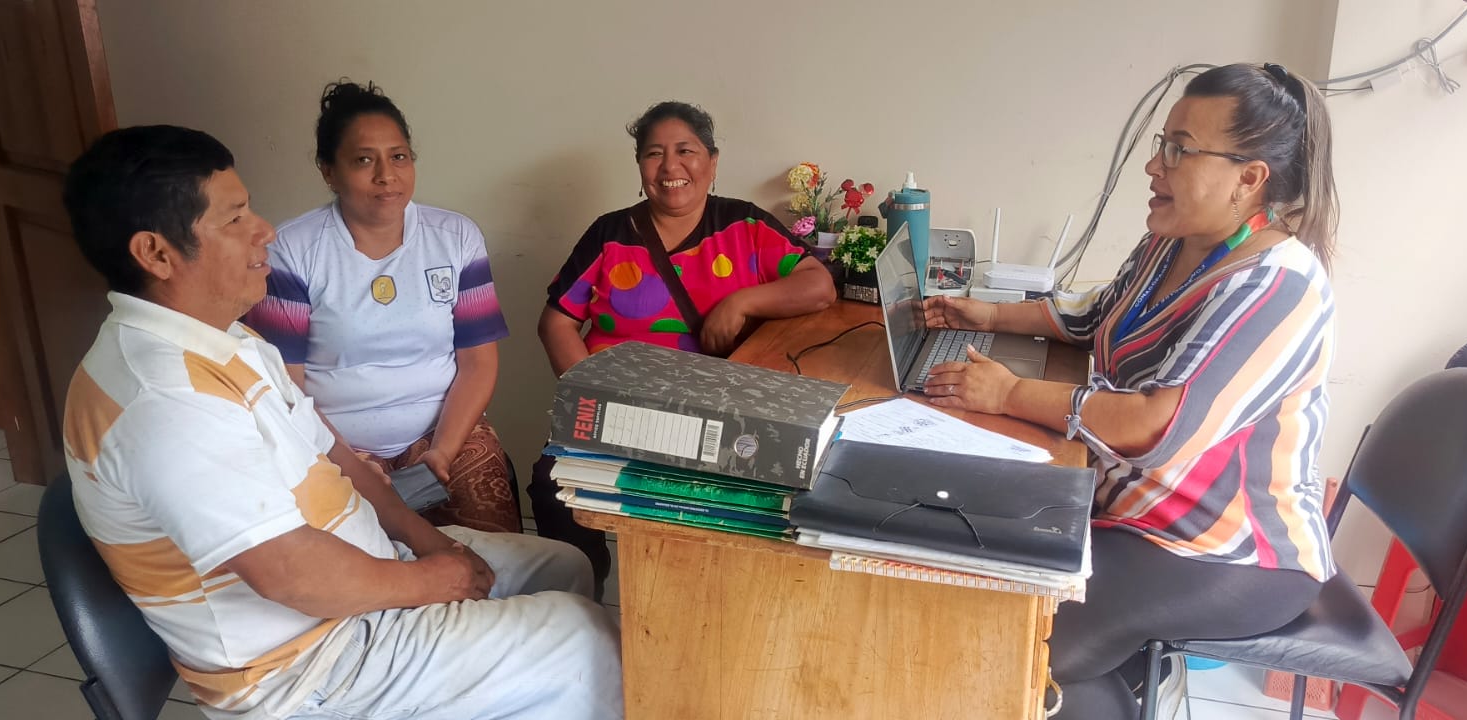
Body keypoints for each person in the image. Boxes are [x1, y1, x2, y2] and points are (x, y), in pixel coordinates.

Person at [61, 125, 621, 720]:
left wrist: (427, 540)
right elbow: (290, 574)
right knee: (588, 640)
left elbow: (334, 455)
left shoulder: (230, 340)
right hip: (309, 664)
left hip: (363, 572)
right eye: (235, 218)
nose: (263, 230)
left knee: (563, 567)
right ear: (156, 253)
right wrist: (434, 582)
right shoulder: (162, 399)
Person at [920, 63, 1338, 719]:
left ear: (1248, 178)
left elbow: (1157, 428)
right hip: (1127, 508)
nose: (1153, 166)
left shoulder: (1275, 283)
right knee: (966, 557)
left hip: (1217, 550)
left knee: (1014, 642)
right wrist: (988, 313)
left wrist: (1008, 394)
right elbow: (1094, 317)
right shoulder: (1170, 244)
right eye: (1161, 143)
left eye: (1179, 150)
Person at [534, 100, 837, 585]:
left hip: (716, 420)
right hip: (620, 411)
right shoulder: (610, 234)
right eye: (654, 154)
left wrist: (741, 301)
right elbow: (556, 323)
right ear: (640, 166)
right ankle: (579, 597)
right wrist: (591, 400)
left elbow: (819, 286)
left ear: (711, 163)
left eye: (686, 151)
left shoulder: (744, 225)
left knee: (728, 516)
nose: (670, 167)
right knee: (552, 487)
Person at [243, 81, 519, 534]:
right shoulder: (292, 250)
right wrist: (349, 463)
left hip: (443, 434)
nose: (387, 175)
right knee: (366, 555)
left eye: (399, 157)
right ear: (329, 171)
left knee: (492, 546)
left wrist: (442, 452)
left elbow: (478, 363)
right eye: (364, 160)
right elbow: (284, 385)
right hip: (334, 442)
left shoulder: (456, 238)